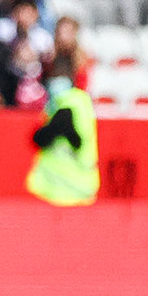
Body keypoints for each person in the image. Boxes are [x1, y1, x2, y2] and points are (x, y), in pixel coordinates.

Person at [26, 69, 98, 206]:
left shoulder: (65, 106)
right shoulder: (82, 101)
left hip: (65, 184)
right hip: (80, 183)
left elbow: (43, 137)